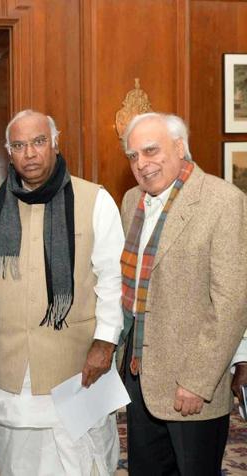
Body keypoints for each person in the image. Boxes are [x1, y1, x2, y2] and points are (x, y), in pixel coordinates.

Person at [0, 110, 125, 475]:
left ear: (54, 143)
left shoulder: (95, 200)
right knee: (17, 460)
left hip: (78, 363)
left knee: (84, 460)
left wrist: (105, 342)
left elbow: (112, 279)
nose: (29, 153)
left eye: (38, 141)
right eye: (19, 145)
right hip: (11, 362)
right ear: (8, 152)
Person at [118, 112, 247, 475]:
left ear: (179, 147)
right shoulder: (132, 201)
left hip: (191, 386)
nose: (141, 164)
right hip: (139, 378)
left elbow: (231, 303)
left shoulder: (223, 202)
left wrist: (198, 381)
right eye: (132, 156)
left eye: (150, 151)